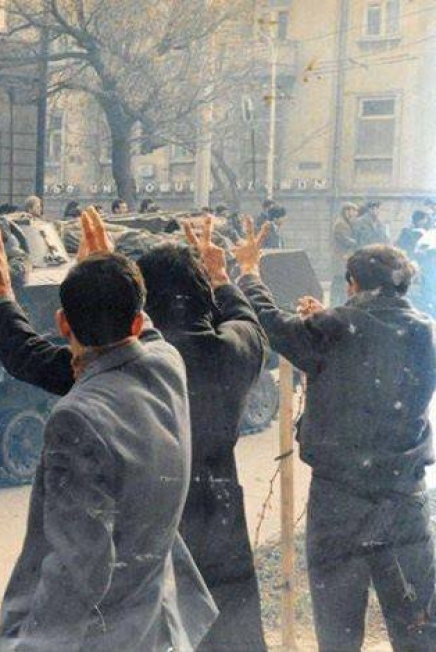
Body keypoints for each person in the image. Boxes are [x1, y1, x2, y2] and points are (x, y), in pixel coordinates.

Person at [0, 212, 216, 651]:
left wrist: (31, 646)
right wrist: (108, 265)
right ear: (138, 323)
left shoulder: (79, 417)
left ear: (63, 323)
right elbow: (143, 331)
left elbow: (78, 568)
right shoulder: (166, 363)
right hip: (158, 621)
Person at [234, 221, 436, 652]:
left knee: (339, 630)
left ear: (352, 283)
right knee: (417, 627)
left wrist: (249, 271)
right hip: (404, 499)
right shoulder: (426, 331)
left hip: (340, 503)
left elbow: (272, 322)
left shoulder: (334, 328)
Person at [138, 223, 270, 651]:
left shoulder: (130, 363)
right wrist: (224, 274)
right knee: (232, 625)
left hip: (150, 511)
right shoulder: (232, 351)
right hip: (218, 504)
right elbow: (247, 320)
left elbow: (39, 356)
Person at [332, 202, 360, 307]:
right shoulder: (341, 224)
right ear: (346, 211)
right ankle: (337, 305)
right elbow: (346, 240)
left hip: (344, 259)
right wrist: (357, 242)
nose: (355, 214)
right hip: (341, 258)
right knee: (339, 283)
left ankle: (339, 304)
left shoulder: (346, 223)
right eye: (353, 211)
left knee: (342, 284)